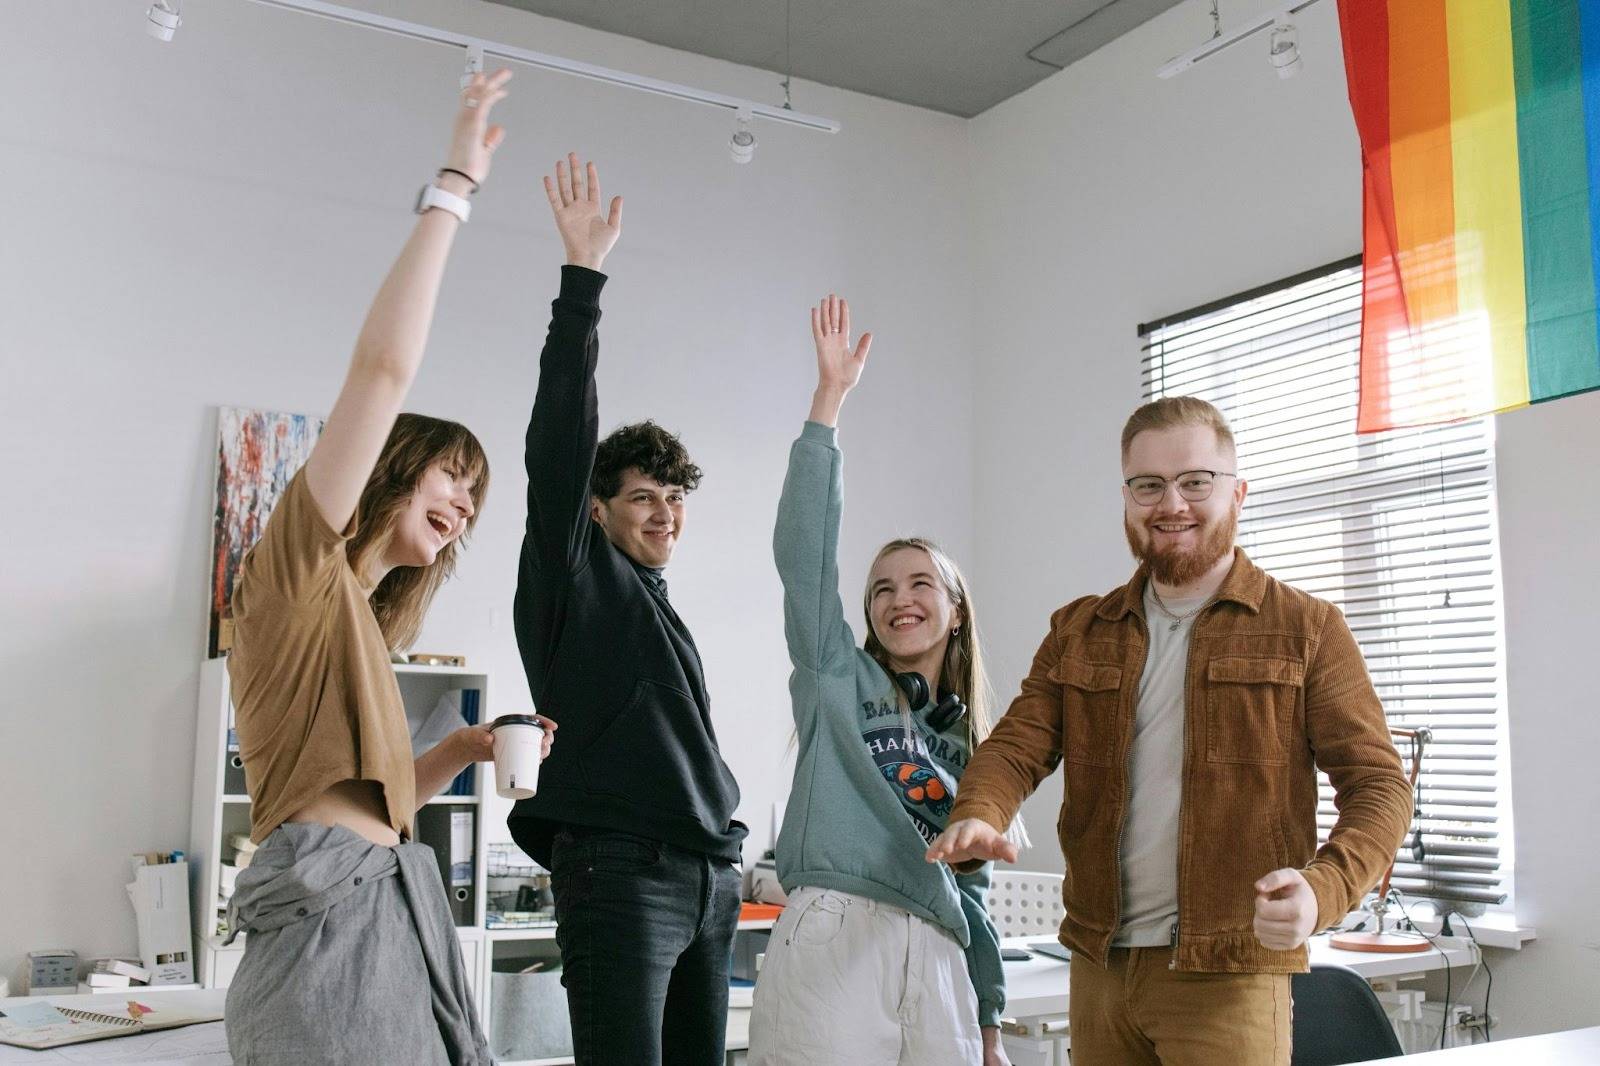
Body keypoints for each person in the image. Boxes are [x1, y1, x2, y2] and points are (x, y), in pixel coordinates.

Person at [225, 70, 553, 1064]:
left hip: (392, 911)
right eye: (452, 476)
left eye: (473, 499)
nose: (459, 508)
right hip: (332, 929)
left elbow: (364, 796)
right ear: (396, 467)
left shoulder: (362, 625)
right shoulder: (295, 574)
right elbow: (382, 370)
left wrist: (464, 751)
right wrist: (455, 183)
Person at [927, 396, 1413, 1066]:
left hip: (1229, 972)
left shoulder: (1308, 629)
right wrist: (981, 812)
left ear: (1238, 492)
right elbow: (1017, 746)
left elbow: (1380, 786)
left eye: (1195, 481)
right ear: (1126, 497)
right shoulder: (1079, 630)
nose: (1171, 503)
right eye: (1148, 485)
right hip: (1100, 967)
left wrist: (1322, 889)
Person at [508, 153, 747, 1066]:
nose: (664, 513)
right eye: (644, 495)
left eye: (675, 499)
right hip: (621, 872)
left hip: (705, 876)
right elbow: (559, 447)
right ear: (599, 509)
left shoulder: (657, 608)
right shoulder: (576, 577)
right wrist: (582, 285)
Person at [750, 295, 1010, 1066]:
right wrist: (827, 404)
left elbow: (974, 896)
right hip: (836, 933)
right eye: (883, 588)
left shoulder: (973, 741)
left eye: (921, 583)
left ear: (956, 610)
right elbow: (804, 560)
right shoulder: (838, 673)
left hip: (937, 954)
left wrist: (988, 1022)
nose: (901, 599)